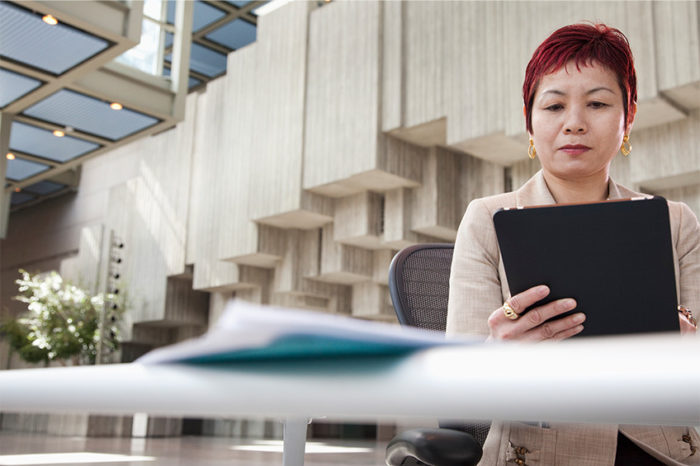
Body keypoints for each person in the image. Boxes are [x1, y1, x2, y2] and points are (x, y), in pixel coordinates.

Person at [446, 23, 700, 465]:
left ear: (629, 118)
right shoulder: (487, 219)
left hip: (662, 450)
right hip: (538, 452)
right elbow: (457, 388)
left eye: (598, 103)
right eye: (554, 105)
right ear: (530, 120)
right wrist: (497, 353)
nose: (575, 123)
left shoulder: (674, 222)